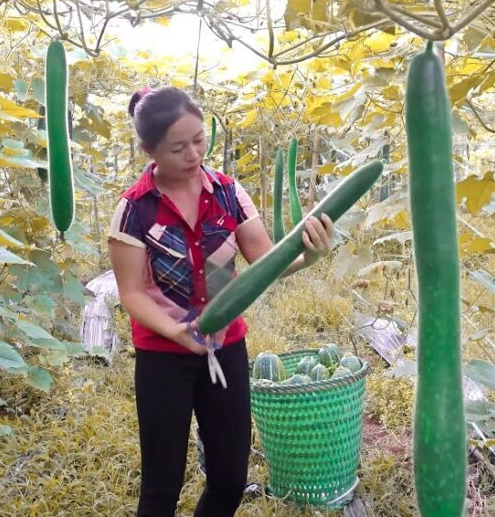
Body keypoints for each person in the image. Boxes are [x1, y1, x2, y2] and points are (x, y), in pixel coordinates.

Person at [107, 85, 335, 517]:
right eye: (178, 147)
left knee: (230, 479)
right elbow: (132, 293)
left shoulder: (229, 193)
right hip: (162, 359)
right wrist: (175, 330)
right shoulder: (134, 210)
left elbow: (266, 262)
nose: (194, 154)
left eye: (198, 139)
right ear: (149, 150)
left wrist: (311, 257)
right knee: (162, 487)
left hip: (226, 350)